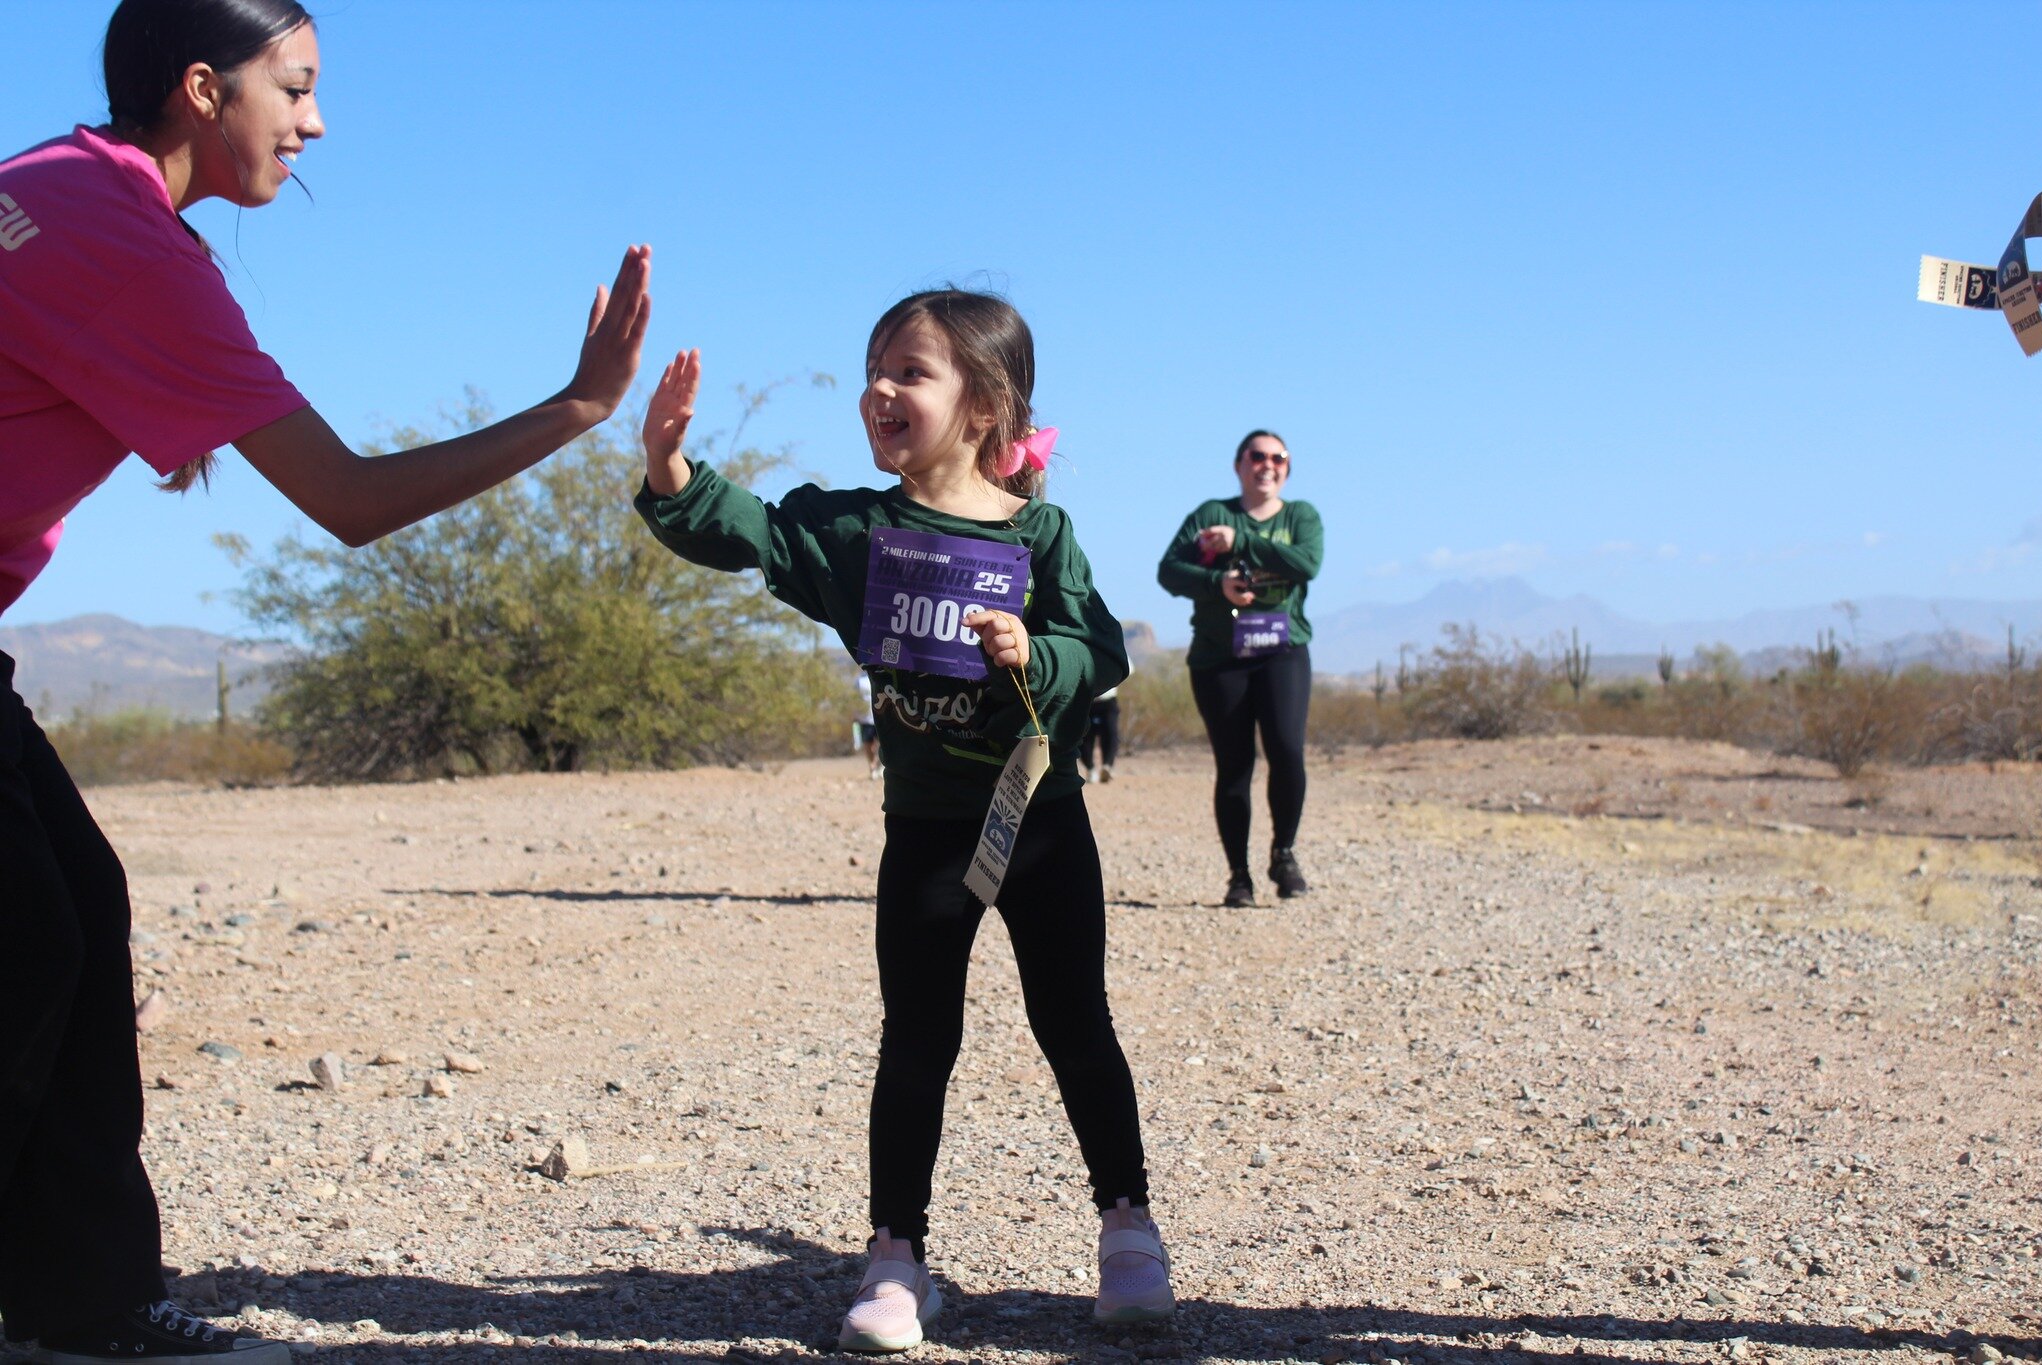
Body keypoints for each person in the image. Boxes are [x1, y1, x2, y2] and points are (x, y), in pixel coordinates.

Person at [0, 3, 651, 1359]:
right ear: (199, 89)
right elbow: (352, 497)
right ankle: (77, 1302)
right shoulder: (121, 239)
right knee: (27, 938)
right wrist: (580, 407)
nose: (316, 123)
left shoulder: (58, 184)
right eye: (294, 89)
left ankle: (80, 1303)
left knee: (68, 911)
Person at [637, 289, 1173, 1351]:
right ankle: (895, 1259)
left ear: (983, 409)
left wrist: (1038, 652)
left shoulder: (1038, 533)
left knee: (1075, 1024)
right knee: (916, 1037)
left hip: (1039, 823)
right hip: (926, 832)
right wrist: (667, 467)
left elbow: (1100, 651)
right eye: (874, 369)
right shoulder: (854, 531)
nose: (881, 390)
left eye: (911, 372)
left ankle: (1127, 1233)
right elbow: (747, 530)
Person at [1156, 430, 1323, 909]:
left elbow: (1307, 563)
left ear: (1287, 468)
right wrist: (1218, 582)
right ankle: (1239, 877)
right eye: (1257, 456)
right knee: (1235, 767)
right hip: (1219, 656)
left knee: (1287, 751)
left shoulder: (1301, 516)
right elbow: (1169, 571)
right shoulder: (1211, 514)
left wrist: (1243, 540)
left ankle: (1283, 854)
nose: (1267, 465)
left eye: (1278, 458)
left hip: (1283, 651)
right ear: (1239, 465)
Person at [1077, 683, 1120, 782]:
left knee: (1111, 734)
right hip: (1087, 703)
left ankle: (1107, 766)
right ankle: (1090, 769)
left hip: (1108, 702)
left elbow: (1128, 669)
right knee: (1084, 738)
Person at [855, 669, 882, 778]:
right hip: (865, 718)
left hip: (880, 716)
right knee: (868, 744)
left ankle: (881, 766)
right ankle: (872, 766)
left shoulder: (880, 676)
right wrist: (855, 715)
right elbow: (855, 699)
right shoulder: (859, 681)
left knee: (883, 744)